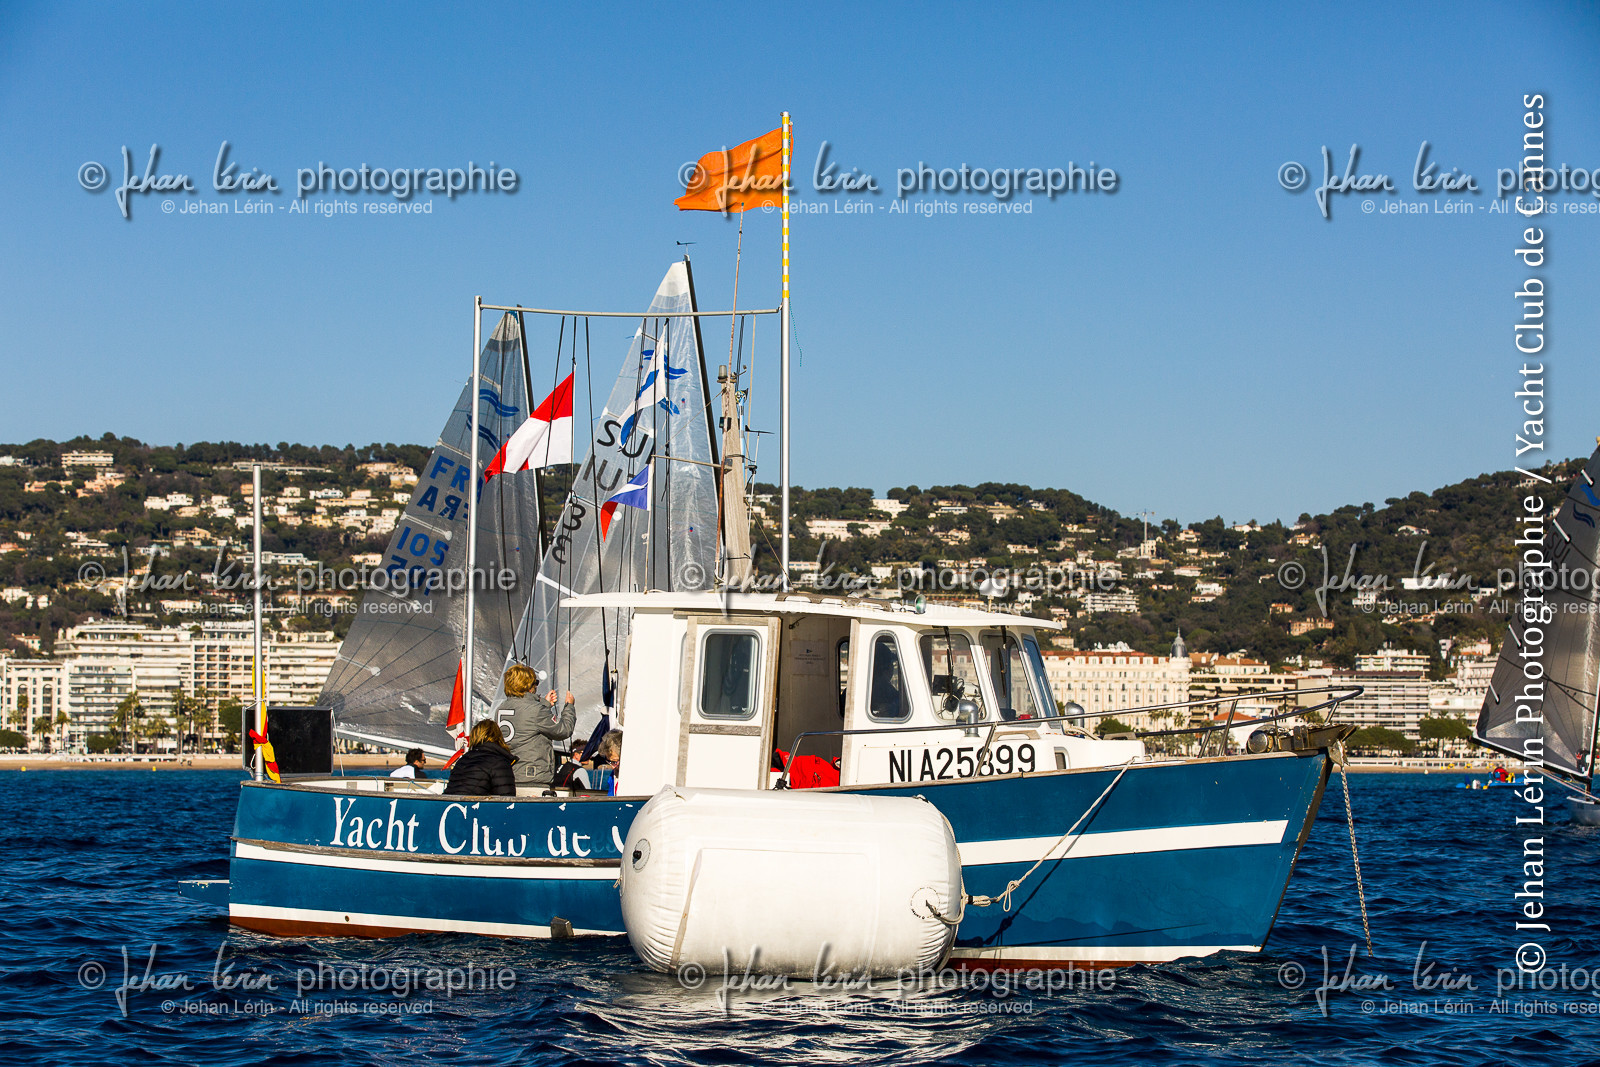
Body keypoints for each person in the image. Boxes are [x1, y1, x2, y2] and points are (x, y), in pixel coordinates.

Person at [497, 663, 576, 789]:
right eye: (535, 683)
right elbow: (564, 730)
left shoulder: (501, 708)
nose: (536, 687)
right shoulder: (536, 710)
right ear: (528, 686)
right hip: (532, 777)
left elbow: (527, 723)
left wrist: (544, 704)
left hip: (508, 776)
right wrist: (569, 707)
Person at [442, 720, 517, 797]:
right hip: (475, 804)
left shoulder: (463, 760)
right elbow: (506, 798)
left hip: (450, 802)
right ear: (499, 737)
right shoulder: (499, 762)